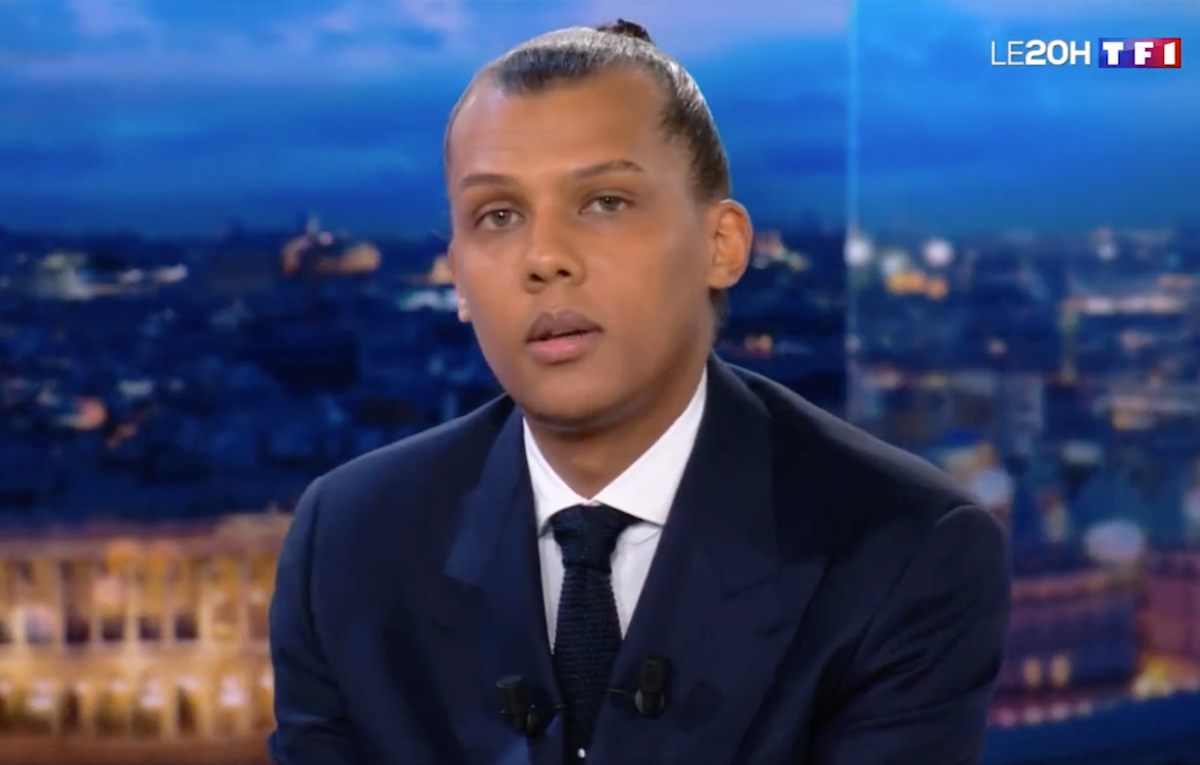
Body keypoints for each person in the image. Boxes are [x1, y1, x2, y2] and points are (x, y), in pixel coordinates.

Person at [268, 19, 1011, 765]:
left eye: (605, 202)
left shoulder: (905, 550)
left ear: (722, 246)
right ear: (457, 277)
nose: (545, 257)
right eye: (499, 215)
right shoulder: (349, 542)